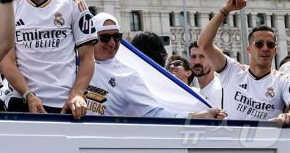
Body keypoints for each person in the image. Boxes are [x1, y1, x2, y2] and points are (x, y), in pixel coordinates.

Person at [0, 0, 95, 119]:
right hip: (22, 102)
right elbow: (6, 62)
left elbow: (88, 58)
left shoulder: (74, 4)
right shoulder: (5, 7)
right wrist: (28, 95)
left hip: (65, 105)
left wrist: (78, 93)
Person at [84, 12, 224, 120]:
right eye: (105, 38)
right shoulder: (74, 64)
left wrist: (196, 116)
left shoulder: (127, 76)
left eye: (117, 37)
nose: (112, 43)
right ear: (91, 37)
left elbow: (155, 113)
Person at [197, 0, 290, 124]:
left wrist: (287, 116)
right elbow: (203, 44)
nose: (265, 48)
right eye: (258, 44)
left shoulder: (283, 80)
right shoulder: (232, 71)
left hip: (265, 142)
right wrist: (225, 10)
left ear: (275, 51)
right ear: (249, 49)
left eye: (270, 45)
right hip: (232, 141)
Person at [189, 41, 223, 108]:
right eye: (193, 57)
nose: (197, 61)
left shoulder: (218, 92)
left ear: (212, 59)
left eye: (202, 56)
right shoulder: (197, 92)